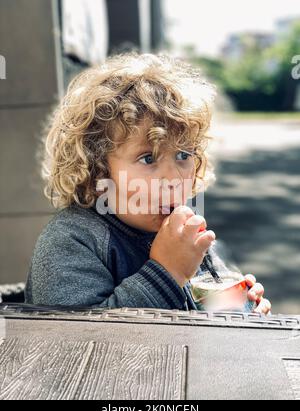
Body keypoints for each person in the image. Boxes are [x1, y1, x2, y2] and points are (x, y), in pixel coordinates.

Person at [25, 52, 271, 314]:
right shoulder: (72, 241)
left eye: (184, 155)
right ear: (98, 171)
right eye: (148, 158)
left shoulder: (186, 235)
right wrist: (168, 272)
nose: (174, 178)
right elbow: (76, 340)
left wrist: (242, 312)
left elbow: (211, 311)